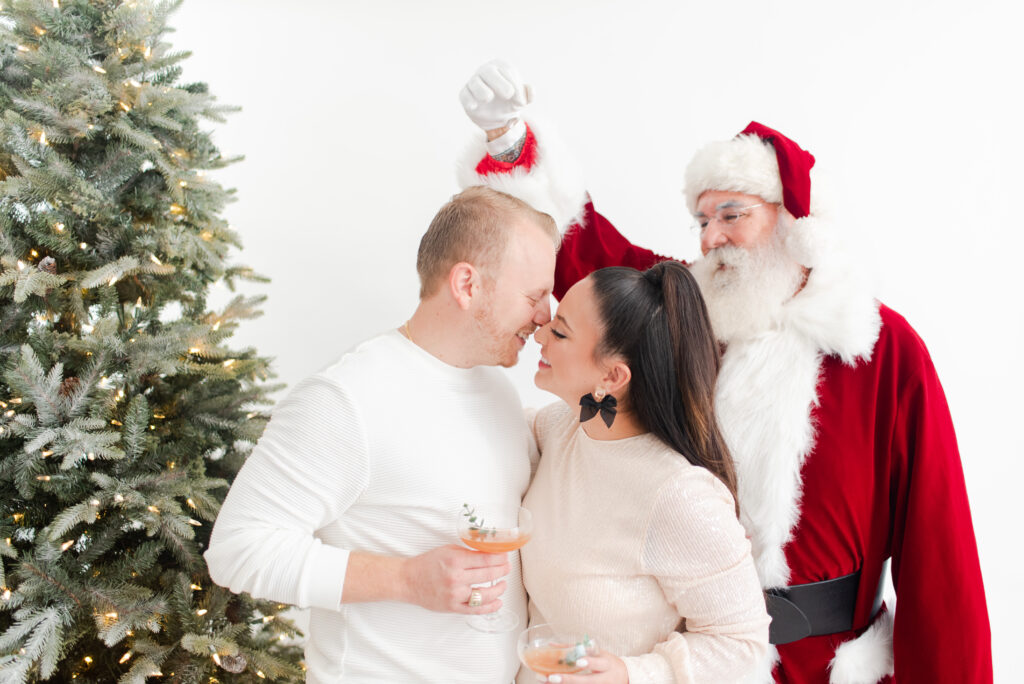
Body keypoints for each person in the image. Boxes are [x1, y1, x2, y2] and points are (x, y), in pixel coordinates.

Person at [457, 60, 992, 683]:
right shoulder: (689, 317)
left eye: (732, 215)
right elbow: (594, 261)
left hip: (827, 666)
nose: (711, 239)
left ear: (793, 223)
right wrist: (512, 147)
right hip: (693, 658)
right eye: (703, 220)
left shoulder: (880, 348)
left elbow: (938, 548)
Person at [204, 186, 560, 684]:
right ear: (467, 284)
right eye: (535, 295)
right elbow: (238, 550)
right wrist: (406, 580)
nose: (547, 314)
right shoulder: (346, 399)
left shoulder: (499, 391)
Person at [520, 261, 770, 684]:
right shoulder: (560, 431)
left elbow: (743, 644)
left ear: (612, 377)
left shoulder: (678, 494)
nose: (539, 333)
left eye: (560, 332)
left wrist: (632, 674)